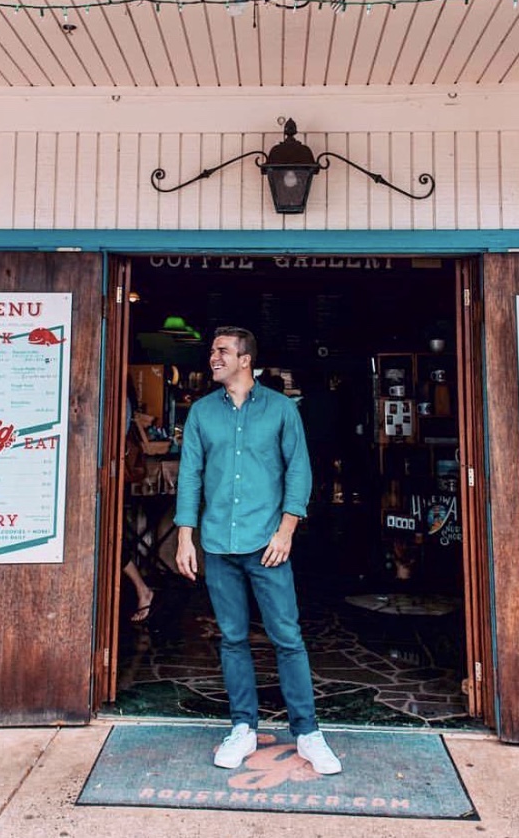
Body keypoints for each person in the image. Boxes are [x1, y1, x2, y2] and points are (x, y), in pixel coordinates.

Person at [174, 326, 342, 775]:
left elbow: (299, 473)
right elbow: (190, 475)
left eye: (222, 351)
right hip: (217, 543)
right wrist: (185, 536)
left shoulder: (282, 410)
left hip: (268, 545)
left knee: (287, 638)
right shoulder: (201, 413)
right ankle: (242, 727)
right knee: (231, 639)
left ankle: (308, 732)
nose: (213, 357)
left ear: (245, 360)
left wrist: (286, 531)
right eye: (213, 350)